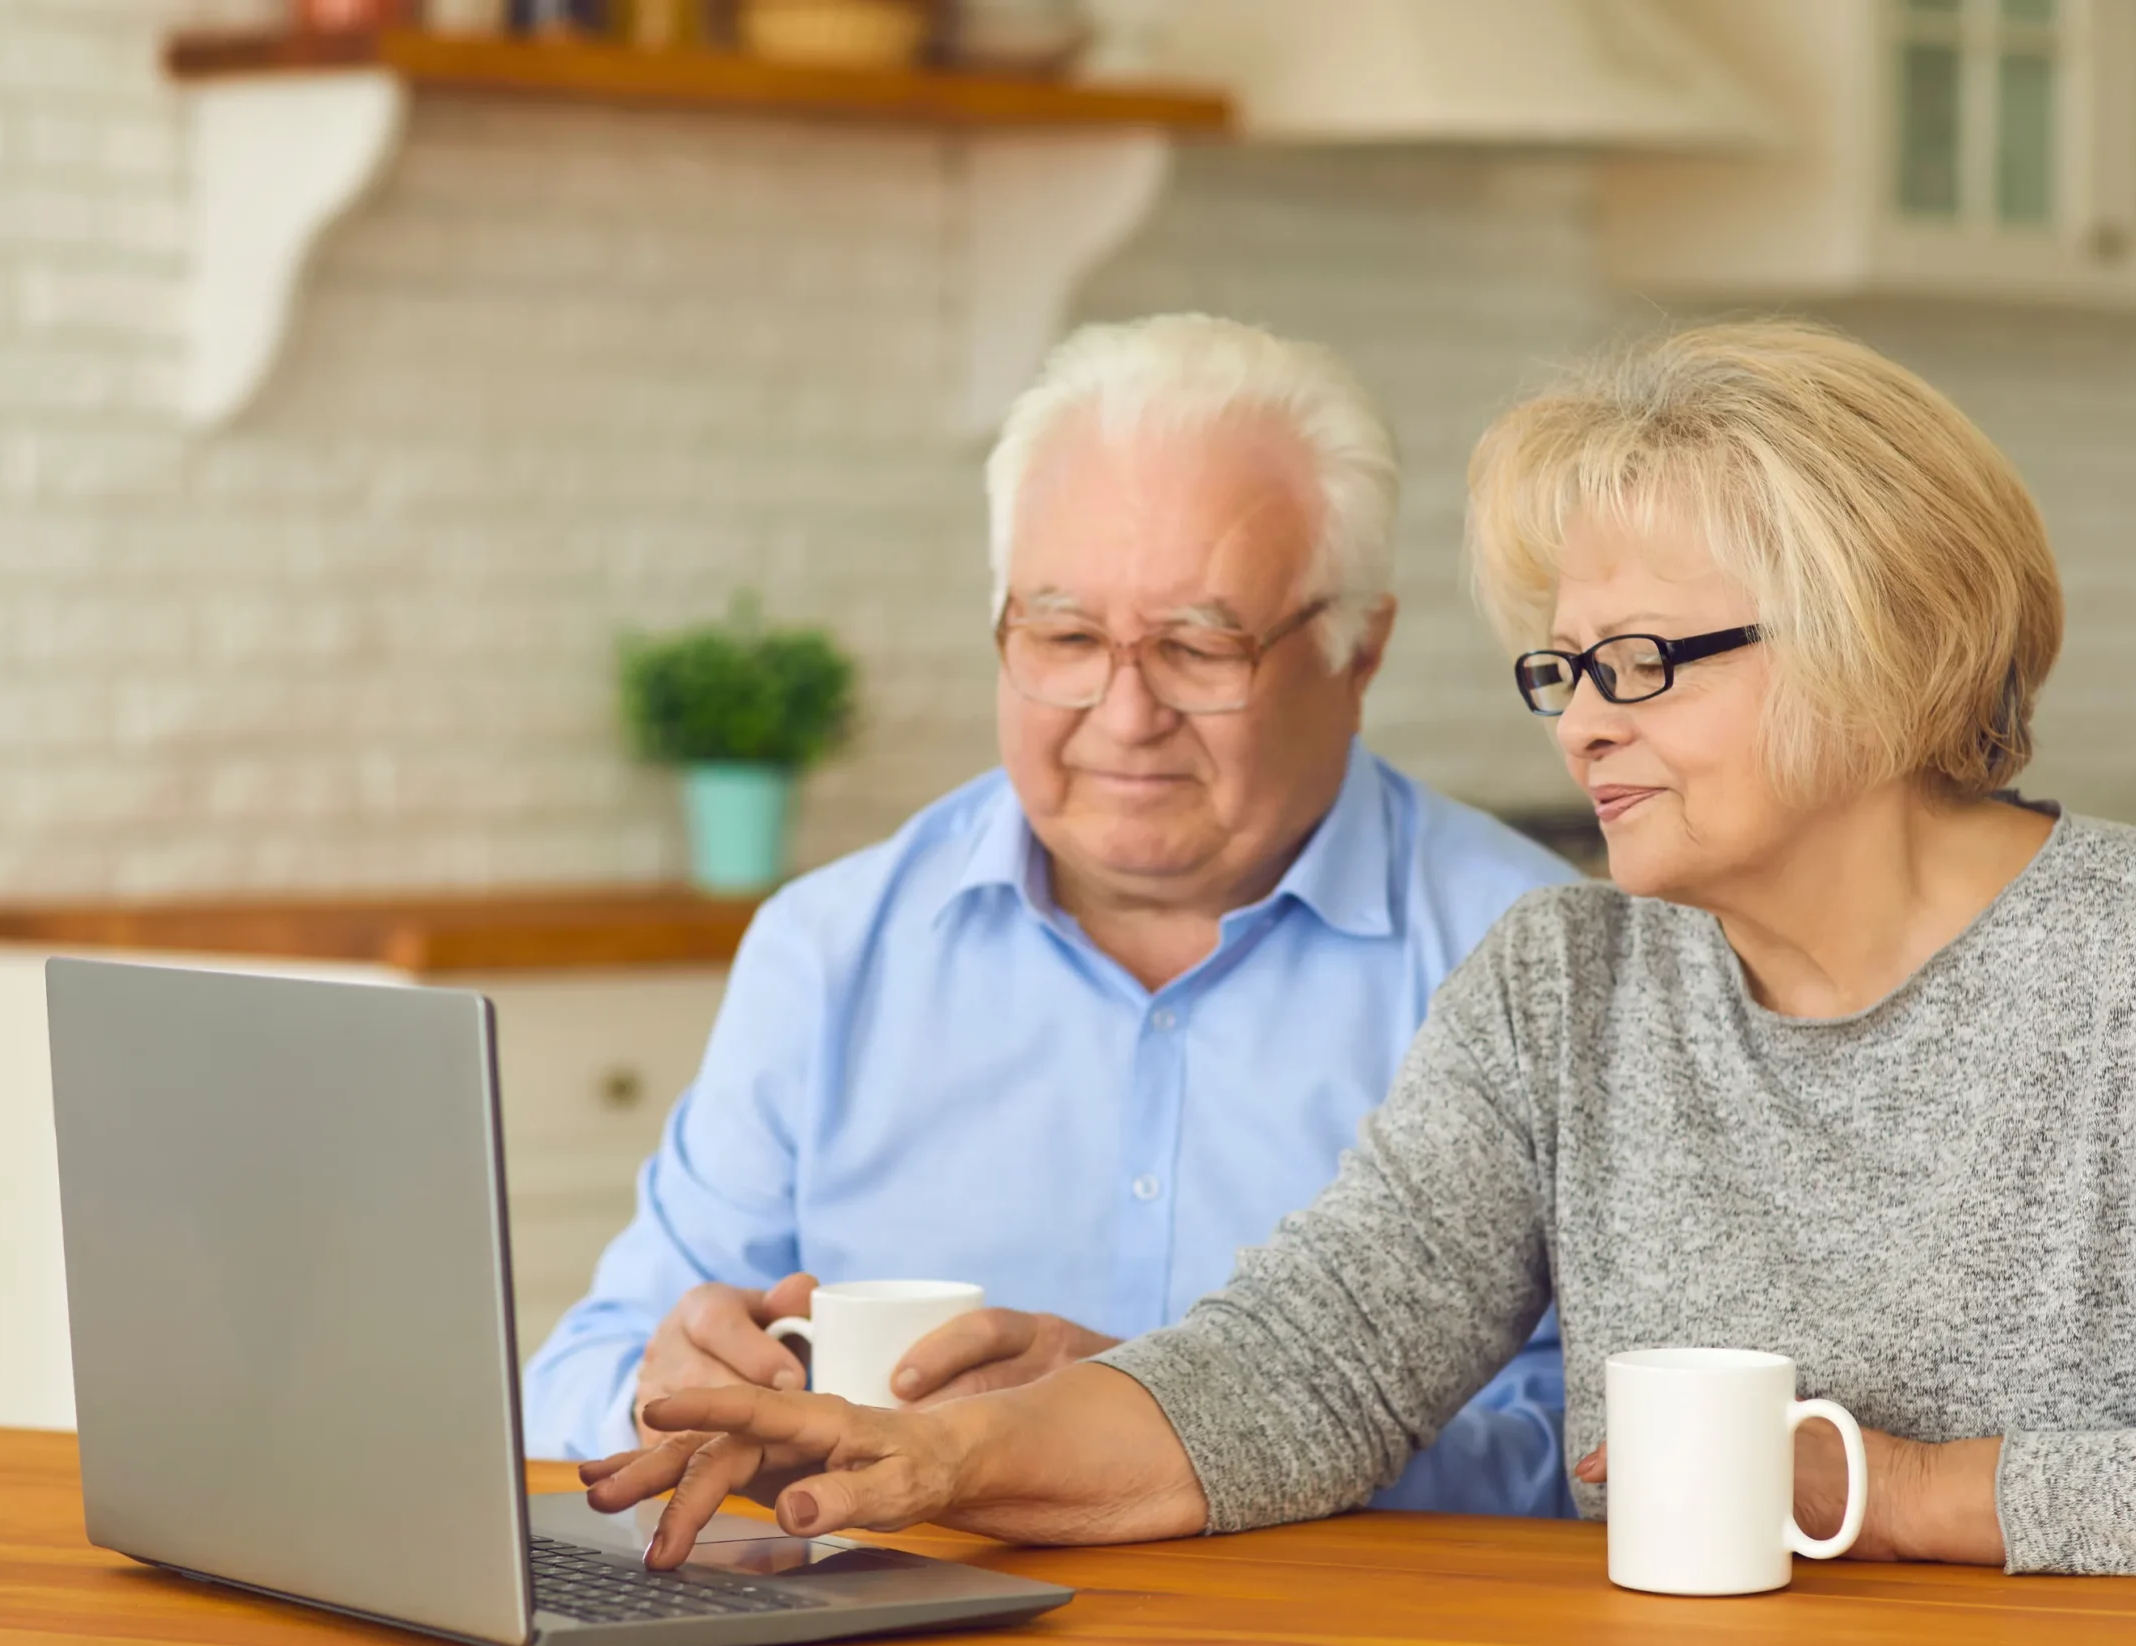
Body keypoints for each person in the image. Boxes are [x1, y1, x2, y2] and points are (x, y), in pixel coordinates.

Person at [583, 318, 2136, 1585]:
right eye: (1565, 667)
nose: (1582, 722)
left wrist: (1891, 1488)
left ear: (1881, 645)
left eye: (1646, 664)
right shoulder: (1568, 983)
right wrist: (938, 1461)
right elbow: (1310, 1361)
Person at [523, 313, 1582, 1517]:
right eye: (1067, 636)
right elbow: (570, 1385)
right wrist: (673, 1390)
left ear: (1359, 652)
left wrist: (1173, 1432)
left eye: (1199, 646)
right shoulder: (830, 951)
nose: (1123, 715)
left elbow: (1602, 1460)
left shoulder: (1538, 968)